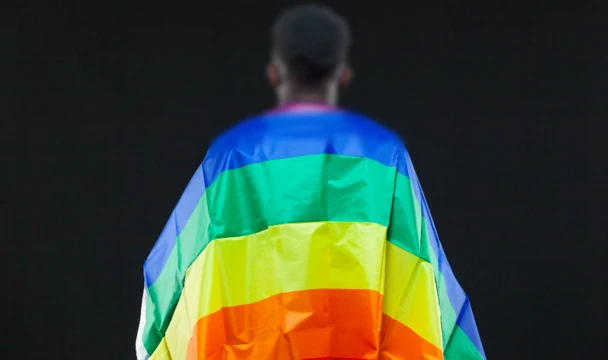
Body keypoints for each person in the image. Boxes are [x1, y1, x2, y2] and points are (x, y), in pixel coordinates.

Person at [135, 4, 485, 360]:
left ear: (275, 73)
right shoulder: (383, 157)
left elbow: (170, 285)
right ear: (343, 74)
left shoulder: (229, 158)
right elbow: (426, 287)